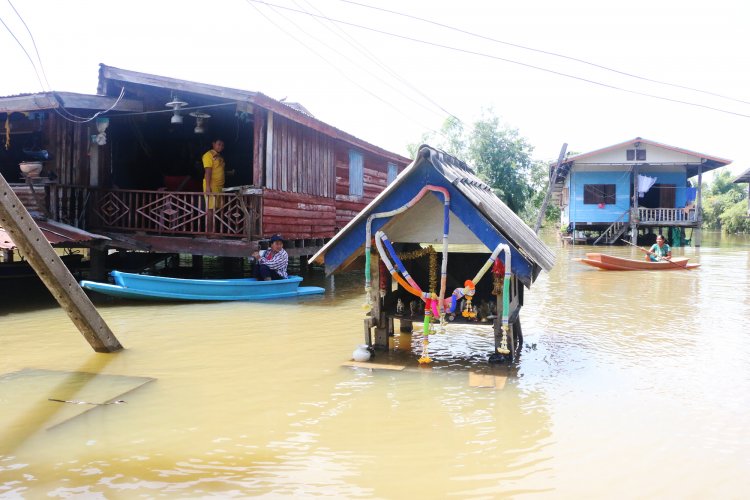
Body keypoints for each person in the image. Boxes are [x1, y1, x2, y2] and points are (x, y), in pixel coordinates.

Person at [203, 139, 225, 233]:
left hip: (220, 186)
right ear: (213, 144)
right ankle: (209, 232)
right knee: (211, 209)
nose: (221, 147)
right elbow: (208, 171)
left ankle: (215, 231)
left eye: (222, 145)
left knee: (217, 209)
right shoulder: (208, 155)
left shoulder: (219, 156)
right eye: (219, 144)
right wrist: (208, 187)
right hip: (212, 185)